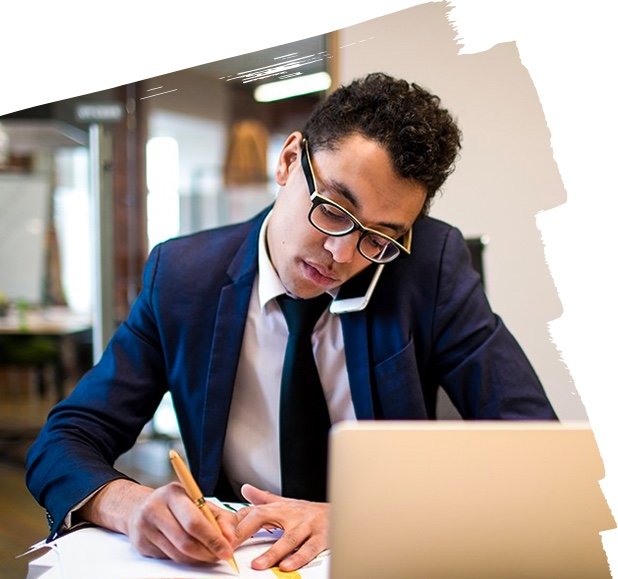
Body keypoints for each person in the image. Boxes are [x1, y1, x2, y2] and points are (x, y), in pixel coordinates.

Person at [26, 72, 557, 572]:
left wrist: (355, 521)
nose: (341, 252)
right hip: (240, 559)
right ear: (288, 161)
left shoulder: (428, 266)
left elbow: (539, 453)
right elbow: (66, 439)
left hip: (382, 556)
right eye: (333, 208)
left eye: (379, 237)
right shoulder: (185, 277)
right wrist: (128, 505)